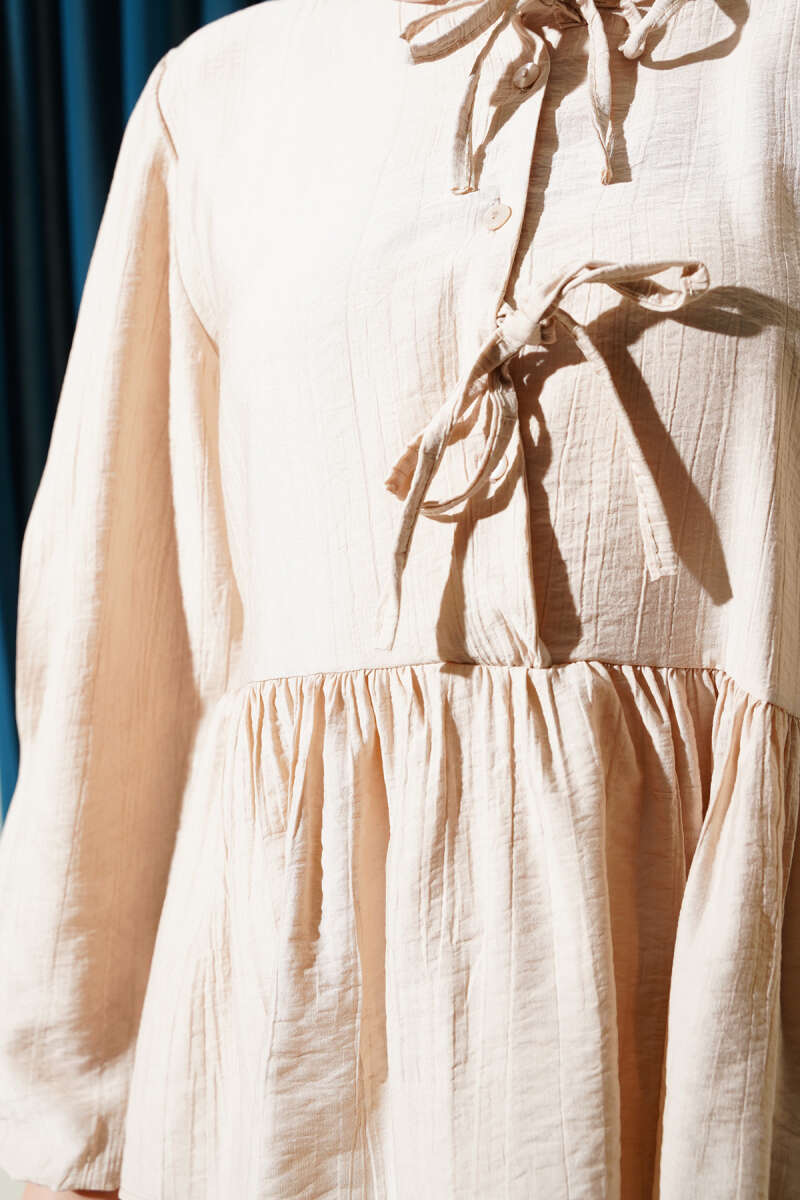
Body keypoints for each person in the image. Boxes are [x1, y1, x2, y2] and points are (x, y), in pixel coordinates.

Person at [2, 1, 799, 1196]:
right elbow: (120, 657)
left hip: (714, 1014)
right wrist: (63, 1129)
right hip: (304, 1059)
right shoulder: (222, 97)